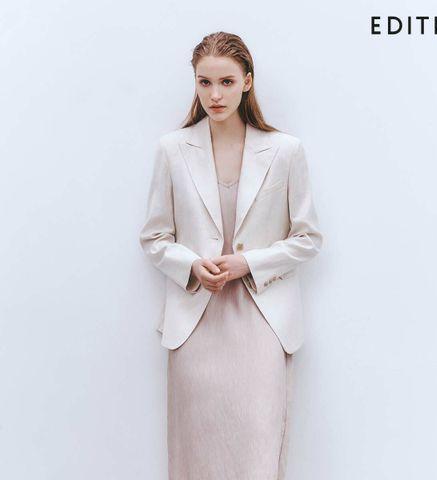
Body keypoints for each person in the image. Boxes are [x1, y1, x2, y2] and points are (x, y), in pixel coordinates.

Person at [139, 31, 323, 480]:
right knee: (195, 453)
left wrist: (247, 263)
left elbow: (308, 238)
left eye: (226, 82)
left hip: (262, 322)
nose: (215, 95)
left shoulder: (285, 151)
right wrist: (191, 265)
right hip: (195, 323)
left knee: (258, 450)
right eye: (204, 82)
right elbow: (154, 237)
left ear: (247, 82)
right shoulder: (172, 149)